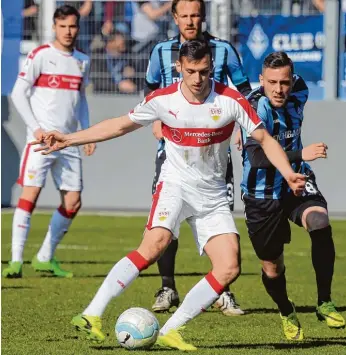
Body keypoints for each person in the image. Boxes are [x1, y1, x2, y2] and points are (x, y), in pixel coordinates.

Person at [33, 40, 305, 350]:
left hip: (212, 194)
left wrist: (287, 172)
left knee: (229, 266)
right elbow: (120, 125)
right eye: (190, 71)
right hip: (175, 185)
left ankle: (170, 330)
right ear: (179, 68)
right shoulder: (163, 100)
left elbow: (265, 140)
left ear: (212, 68)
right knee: (154, 246)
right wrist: (69, 139)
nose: (197, 79)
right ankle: (91, 314)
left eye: (204, 71)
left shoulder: (230, 100)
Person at [145, 0, 252, 315]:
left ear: (203, 17)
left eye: (196, 15)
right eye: (185, 15)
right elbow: (151, 86)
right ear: (175, 17)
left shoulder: (223, 50)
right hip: (173, 151)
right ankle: (167, 288)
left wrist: (240, 129)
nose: (190, 20)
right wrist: (154, 119)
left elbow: (243, 91)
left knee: (219, 218)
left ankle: (223, 292)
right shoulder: (161, 51)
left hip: (213, 150)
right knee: (168, 220)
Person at [240, 51, 346, 341]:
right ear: (261, 80)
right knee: (273, 266)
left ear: (292, 79)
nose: (279, 89)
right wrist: (302, 152)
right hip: (261, 192)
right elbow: (258, 157)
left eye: (284, 82)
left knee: (320, 221)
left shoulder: (300, 89)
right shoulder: (252, 106)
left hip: (296, 181)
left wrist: (299, 162)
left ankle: (324, 301)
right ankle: (286, 310)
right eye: (272, 82)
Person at [2, 5, 96, 279]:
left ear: (78, 28)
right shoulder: (41, 55)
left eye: (73, 26)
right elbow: (19, 93)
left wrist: (87, 132)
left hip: (68, 142)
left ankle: (44, 257)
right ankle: (16, 261)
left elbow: (81, 101)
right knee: (29, 196)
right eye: (63, 26)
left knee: (73, 202)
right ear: (55, 27)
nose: (68, 31)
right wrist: (37, 129)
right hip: (41, 141)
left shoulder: (82, 60)